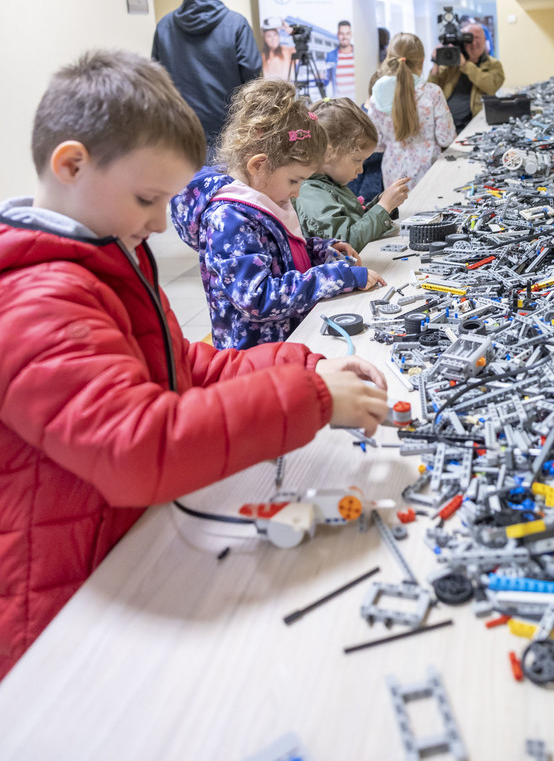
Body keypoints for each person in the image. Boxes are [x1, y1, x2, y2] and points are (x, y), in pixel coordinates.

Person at [0, 52, 388, 679]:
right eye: (147, 198)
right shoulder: (37, 300)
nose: (160, 223)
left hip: (125, 553)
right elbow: (138, 446)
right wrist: (310, 401)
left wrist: (301, 364)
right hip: (62, 608)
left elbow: (182, 366)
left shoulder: (102, 251)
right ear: (71, 166)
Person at [170, 80, 386, 349]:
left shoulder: (266, 195)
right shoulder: (228, 219)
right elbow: (259, 298)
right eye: (294, 180)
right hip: (255, 358)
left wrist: (319, 250)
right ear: (259, 165)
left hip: (287, 343)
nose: (297, 192)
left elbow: (278, 255)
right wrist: (338, 277)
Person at [152, 0, 262, 154]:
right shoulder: (237, 24)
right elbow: (253, 78)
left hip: (180, 133)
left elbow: (156, 80)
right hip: (228, 135)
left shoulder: (164, 26)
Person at [296, 98, 409, 249]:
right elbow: (345, 243)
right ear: (329, 153)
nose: (361, 170)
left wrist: (379, 204)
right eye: (357, 160)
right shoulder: (311, 194)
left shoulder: (329, 183)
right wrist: (384, 207)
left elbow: (354, 222)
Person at [367, 32, 456, 190]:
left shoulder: (377, 95)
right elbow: (446, 138)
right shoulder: (432, 92)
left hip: (392, 174)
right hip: (428, 171)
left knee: (400, 207)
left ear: (390, 59)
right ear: (421, 61)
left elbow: (376, 144)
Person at [428, 20, 505, 133]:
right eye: (468, 39)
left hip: (473, 124)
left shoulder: (494, 65)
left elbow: (491, 86)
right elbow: (431, 91)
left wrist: (465, 65)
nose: (473, 42)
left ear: (484, 39)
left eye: (476, 38)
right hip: (445, 123)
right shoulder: (451, 65)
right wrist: (436, 63)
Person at [325, 19, 356, 98]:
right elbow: (327, 81)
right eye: (342, 34)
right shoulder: (331, 56)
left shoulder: (359, 54)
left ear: (351, 35)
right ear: (337, 35)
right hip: (339, 102)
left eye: (347, 33)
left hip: (357, 102)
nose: (344, 37)